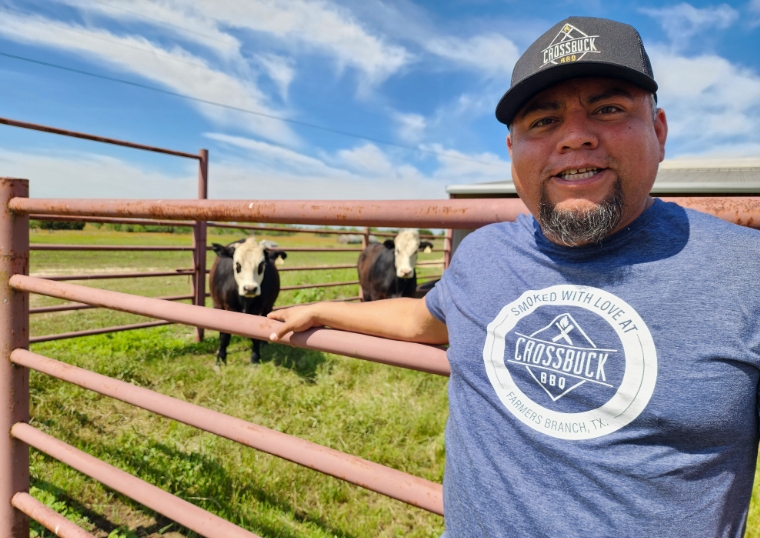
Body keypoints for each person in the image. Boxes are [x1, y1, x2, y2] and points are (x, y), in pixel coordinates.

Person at [268, 16, 760, 537]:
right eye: (543, 121)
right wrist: (321, 310)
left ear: (659, 132)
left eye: (608, 109)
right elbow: (422, 319)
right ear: (511, 152)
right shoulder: (482, 255)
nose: (575, 136)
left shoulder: (746, 272)